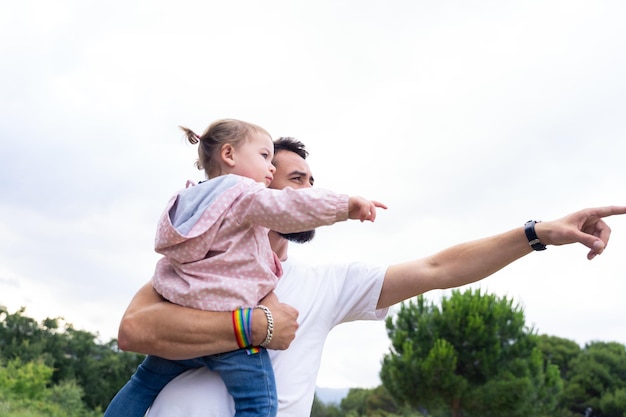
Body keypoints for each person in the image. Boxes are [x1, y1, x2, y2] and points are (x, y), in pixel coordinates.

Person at [115, 137, 626, 416]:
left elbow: (438, 269)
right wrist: (255, 327)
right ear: (258, 192)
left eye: (313, 184)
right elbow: (134, 331)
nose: (311, 194)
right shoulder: (198, 270)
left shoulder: (326, 284)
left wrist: (536, 233)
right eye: (296, 182)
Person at [103, 121, 386, 417]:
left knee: (142, 382)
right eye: (265, 157)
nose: (271, 168)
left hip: (186, 326)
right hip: (232, 338)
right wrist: (345, 206)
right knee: (259, 403)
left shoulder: (185, 201)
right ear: (229, 154)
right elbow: (291, 207)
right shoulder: (244, 194)